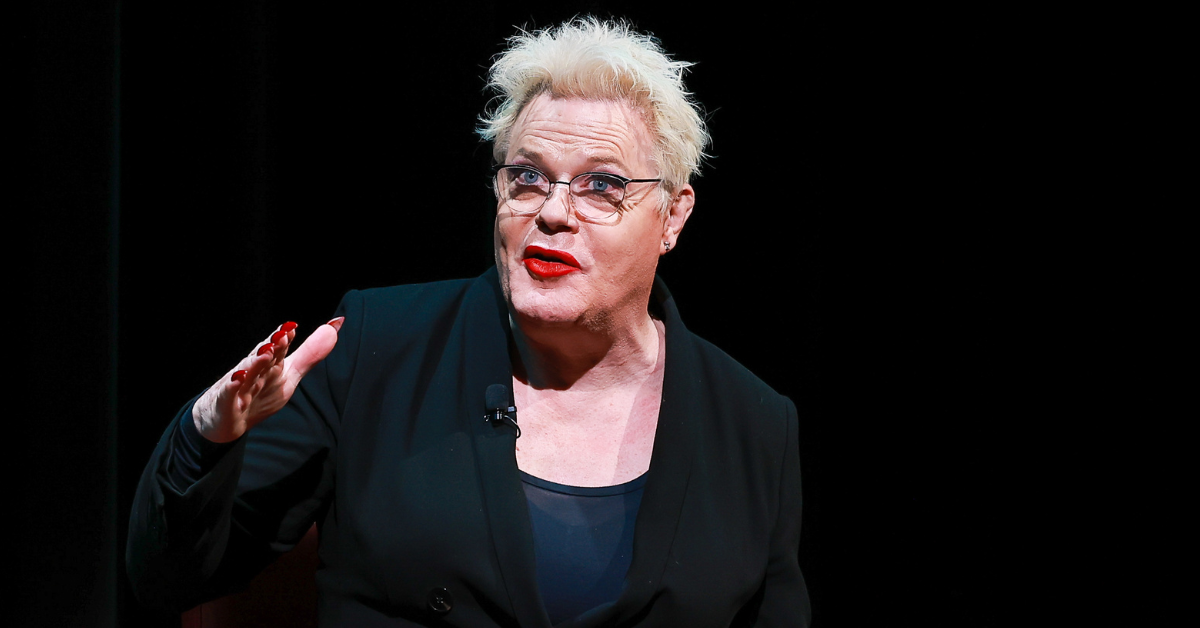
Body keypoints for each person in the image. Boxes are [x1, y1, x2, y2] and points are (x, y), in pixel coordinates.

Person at [128, 17, 810, 627]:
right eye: (528, 177)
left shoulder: (754, 425)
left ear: (673, 215)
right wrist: (205, 437)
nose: (552, 212)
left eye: (601, 185)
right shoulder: (378, 349)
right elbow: (169, 579)